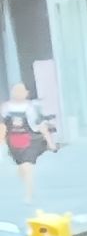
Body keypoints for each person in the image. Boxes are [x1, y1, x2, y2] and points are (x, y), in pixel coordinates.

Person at [4, 83, 46, 222]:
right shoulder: (6, 108)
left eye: (21, 91)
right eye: (16, 91)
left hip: (28, 140)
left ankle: (28, 195)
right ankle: (30, 187)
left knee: (27, 167)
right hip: (13, 142)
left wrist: (46, 138)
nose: (18, 93)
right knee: (21, 169)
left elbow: (38, 123)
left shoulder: (30, 107)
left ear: (26, 93)